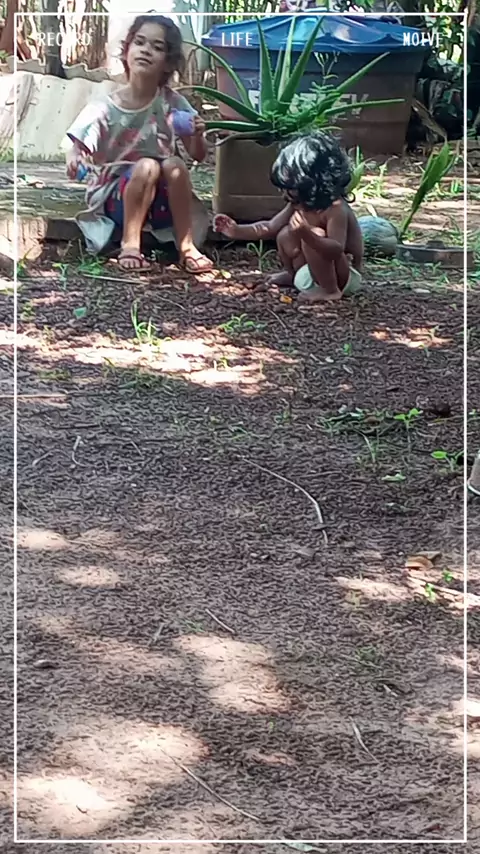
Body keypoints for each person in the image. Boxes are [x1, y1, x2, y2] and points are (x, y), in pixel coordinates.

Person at [65, 14, 213, 273]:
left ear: (168, 63)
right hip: (116, 203)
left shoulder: (172, 103)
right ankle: (130, 245)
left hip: (162, 204)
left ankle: (186, 246)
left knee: (174, 164)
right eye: (140, 42)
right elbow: (75, 150)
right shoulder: (104, 107)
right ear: (127, 51)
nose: (146, 50)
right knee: (147, 166)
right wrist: (75, 160)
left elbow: (197, 155)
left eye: (157, 47)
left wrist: (197, 135)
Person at [214, 130, 363, 302]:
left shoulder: (336, 208)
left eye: (290, 188)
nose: (284, 194)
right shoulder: (299, 203)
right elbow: (269, 227)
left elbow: (336, 249)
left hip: (344, 277)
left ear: (313, 183)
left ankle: (330, 291)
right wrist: (236, 230)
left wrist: (306, 234)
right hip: (313, 272)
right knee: (285, 234)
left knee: (314, 235)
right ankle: (293, 275)